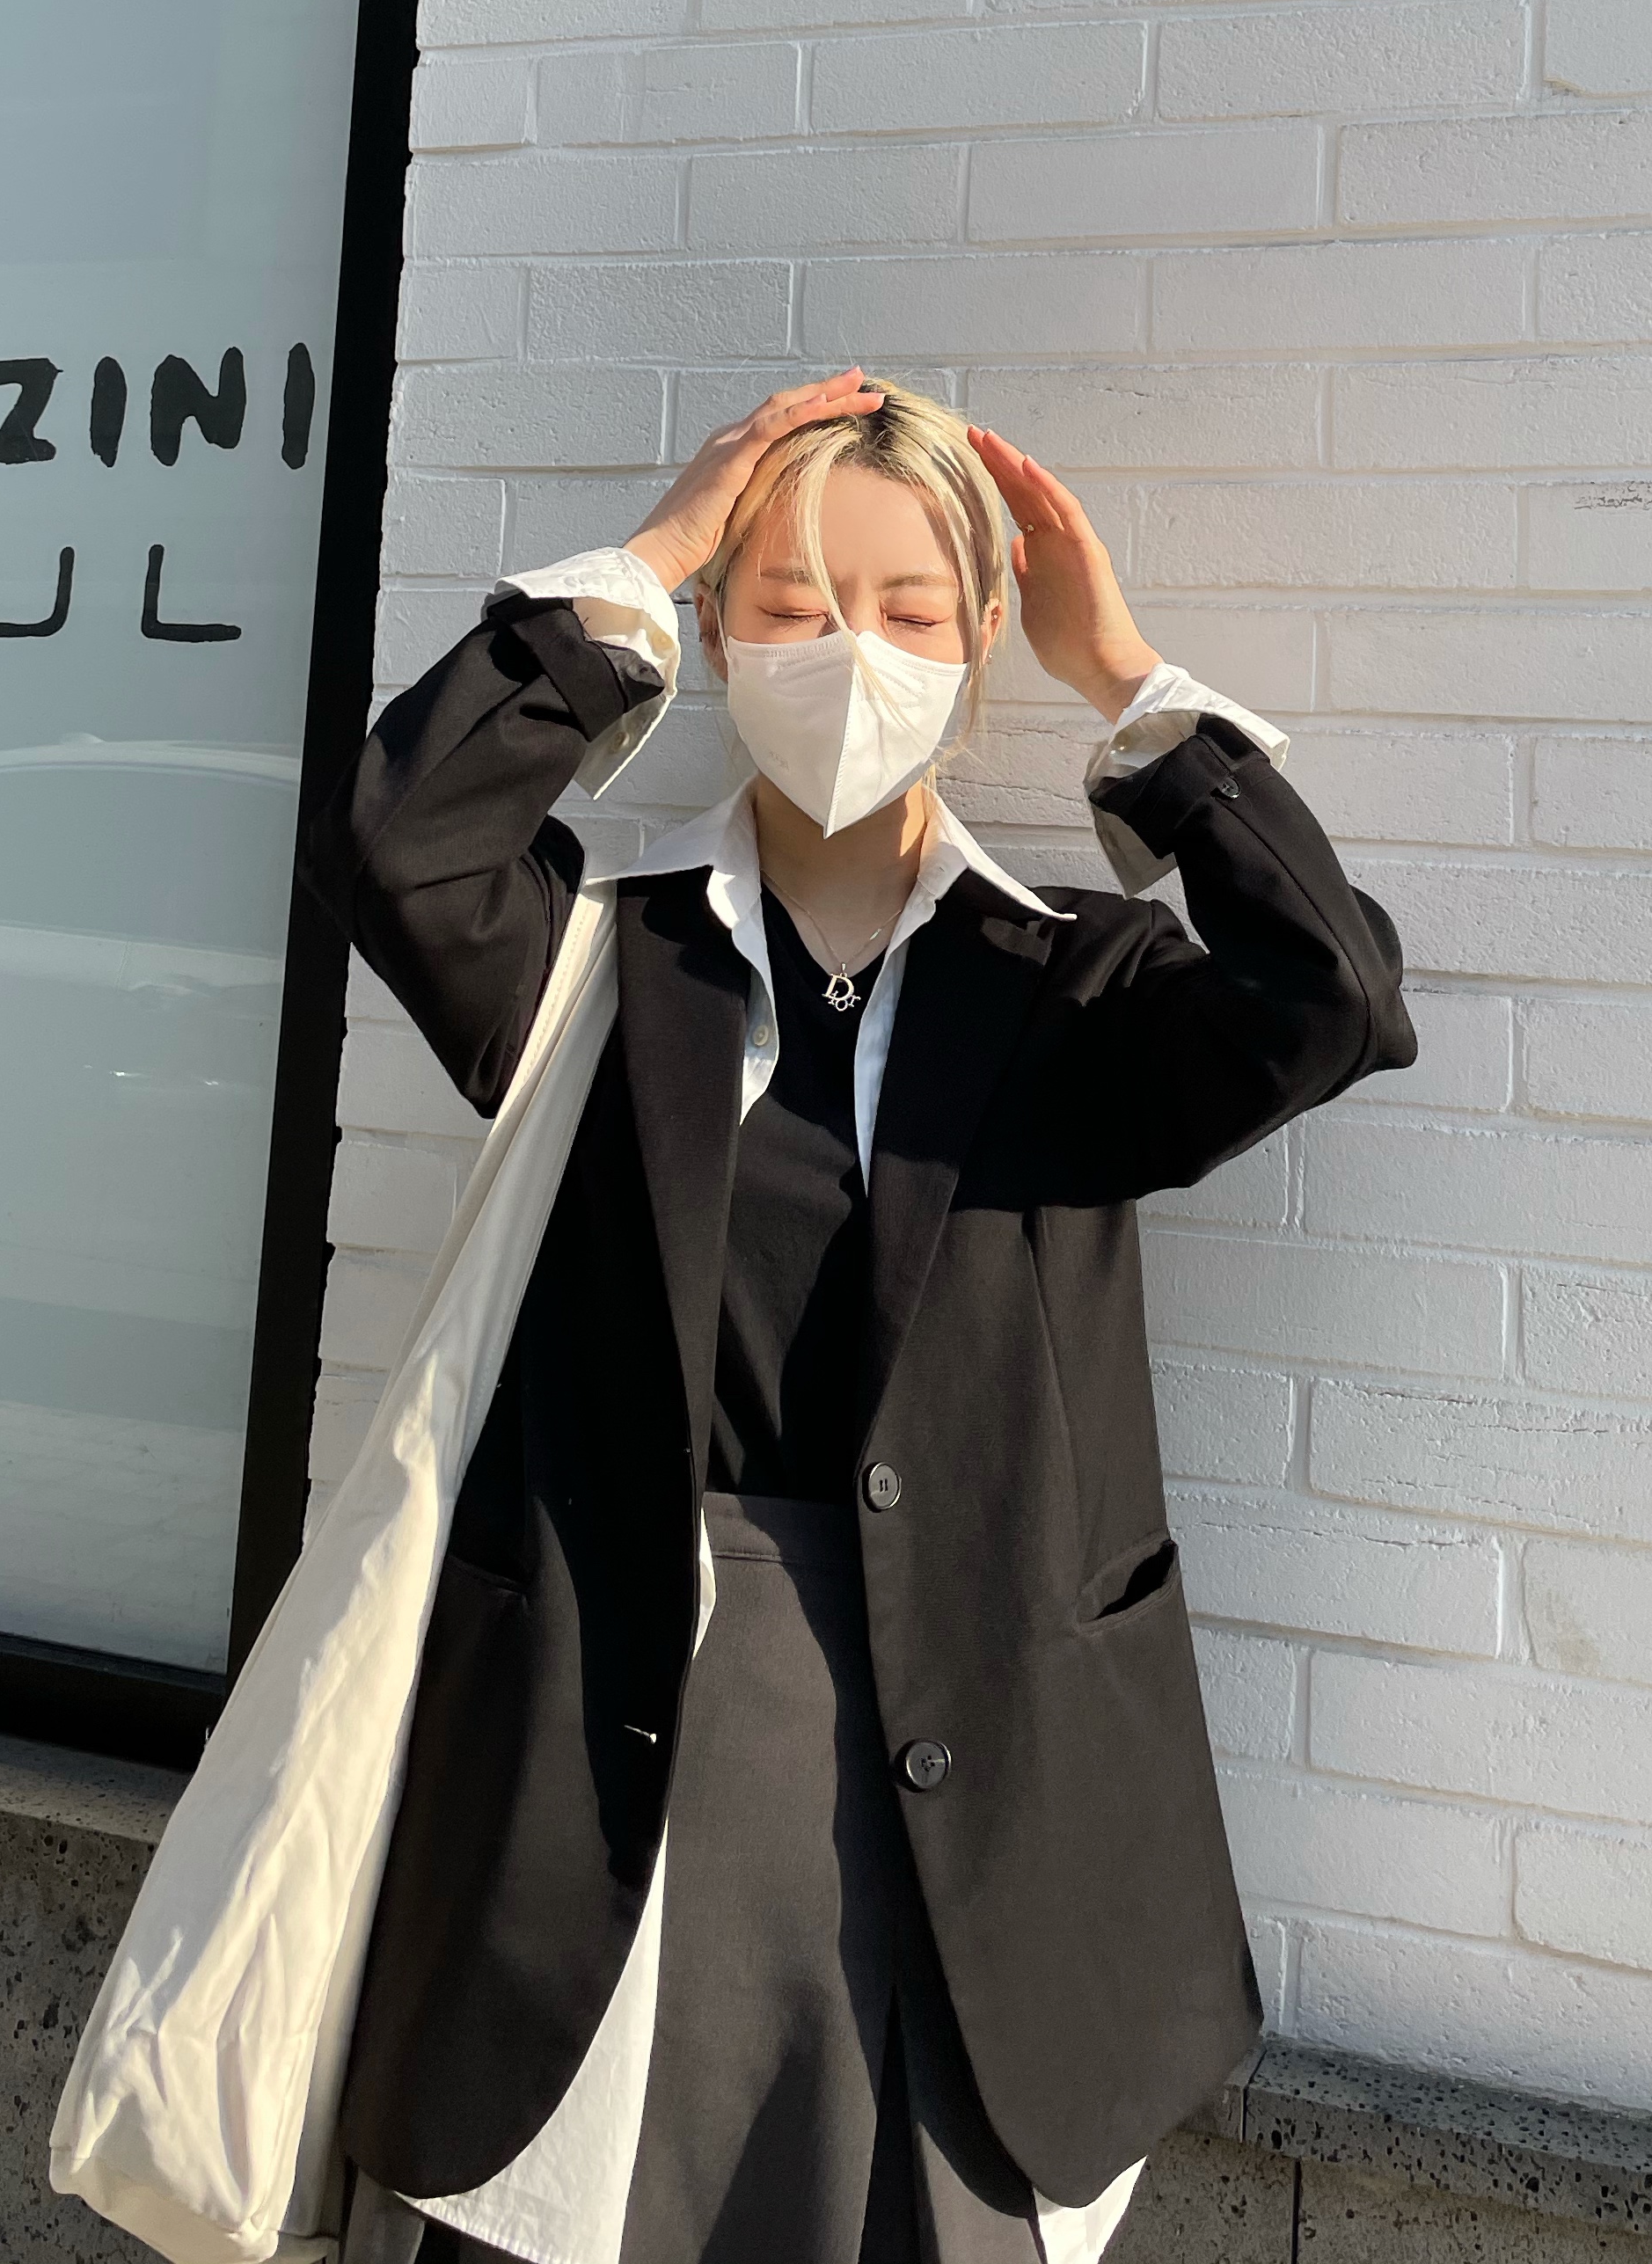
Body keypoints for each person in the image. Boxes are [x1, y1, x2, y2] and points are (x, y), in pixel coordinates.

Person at [300, 371, 1416, 2264]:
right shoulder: (595, 958)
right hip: (611, 1745)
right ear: (725, 635)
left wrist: (1129, 687)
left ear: (976, 642)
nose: (851, 652)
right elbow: (398, 846)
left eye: (908, 610)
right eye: (793, 603)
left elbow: (1336, 998)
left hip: (972, 1760)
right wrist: (642, 568)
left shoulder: (1074, 989)